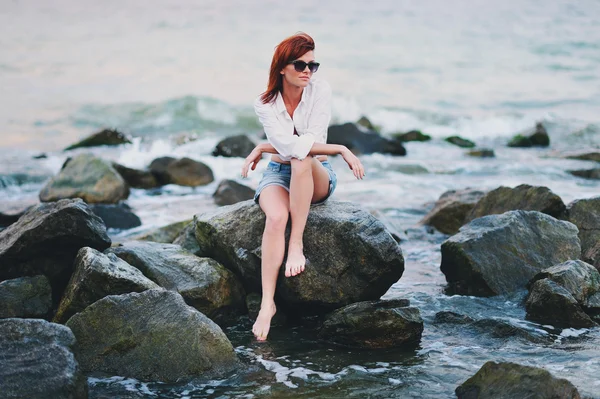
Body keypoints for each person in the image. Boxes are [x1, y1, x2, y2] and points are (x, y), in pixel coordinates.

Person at [241, 32, 365, 341]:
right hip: (276, 174)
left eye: (313, 64)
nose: (308, 71)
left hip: (317, 173)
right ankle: (267, 304)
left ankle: (295, 244)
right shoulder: (265, 103)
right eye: (300, 65)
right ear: (282, 68)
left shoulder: (320, 90)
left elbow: (309, 146)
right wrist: (336, 148)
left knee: (301, 160)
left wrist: (264, 147)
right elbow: (288, 145)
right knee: (275, 218)